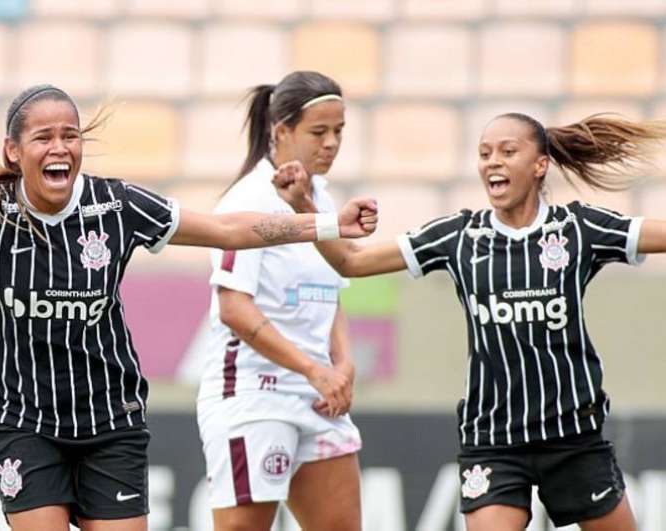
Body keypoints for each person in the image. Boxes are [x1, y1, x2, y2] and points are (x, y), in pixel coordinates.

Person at [0, 84, 377, 531]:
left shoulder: (115, 205)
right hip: (21, 420)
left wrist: (323, 223)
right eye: (43, 137)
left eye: (70, 135)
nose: (60, 146)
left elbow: (225, 228)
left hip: (110, 421)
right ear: (14, 151)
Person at [273, 112, 666, 531]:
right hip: (494, 441)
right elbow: (351, 261)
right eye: (484, 154)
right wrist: (303, 206)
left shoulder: (578, 228)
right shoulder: (460, 236)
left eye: (507, 151)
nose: (492, 162)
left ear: (539, 165)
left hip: (573, 438)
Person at [196, 71, 364, 531]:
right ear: (281, 131)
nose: (331, 143)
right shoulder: (248, 199)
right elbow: (234, 307)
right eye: (318, 132)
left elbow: (331, 292)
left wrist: (343, 364)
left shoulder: (323, 202)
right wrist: (313, 369)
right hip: (255, 395)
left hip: (318, 398)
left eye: (339, 131)